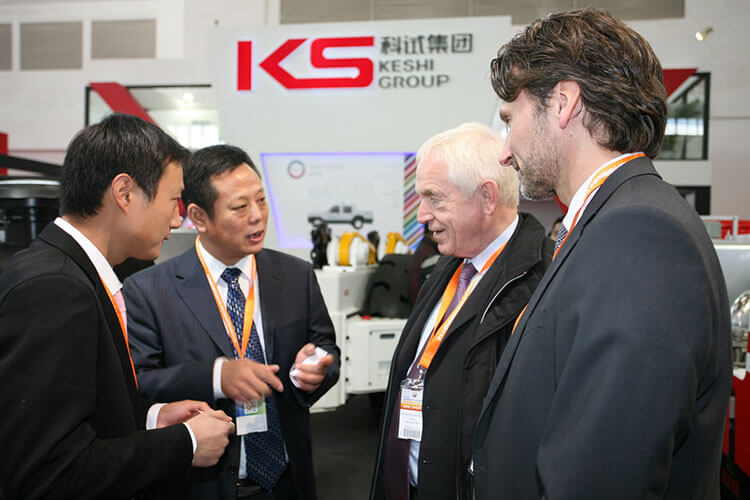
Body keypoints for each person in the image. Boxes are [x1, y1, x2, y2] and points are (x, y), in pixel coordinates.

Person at [472, 9, 731, 499]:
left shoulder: (639, 235)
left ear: (563, 103)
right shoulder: (614, 221)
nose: (505, 151)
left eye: (510, 120)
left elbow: (604, 475)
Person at [0, 113, 235, 500]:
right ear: (124, 193)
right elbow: (51, 473)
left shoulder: (69, 273)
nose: (177, 218)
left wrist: (152, 417)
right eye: (173, 200)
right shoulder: (56, 289)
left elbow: (83, 415)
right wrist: (185, 443)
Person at [123, 144, 340, 500]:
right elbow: (139, 383)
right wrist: (217, 377)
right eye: (240, 207)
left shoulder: (295, 275)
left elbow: (327, 348)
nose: (257, 216)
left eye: (261, 201)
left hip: (288, 481)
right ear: (199, 217)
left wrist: (314, 370)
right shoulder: (149, 291)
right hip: (202, 486)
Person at [370, 123, 553, 500]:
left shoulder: (546, 282)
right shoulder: (447, 266)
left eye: (434, 199)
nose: (422, 216)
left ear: (487, 197)